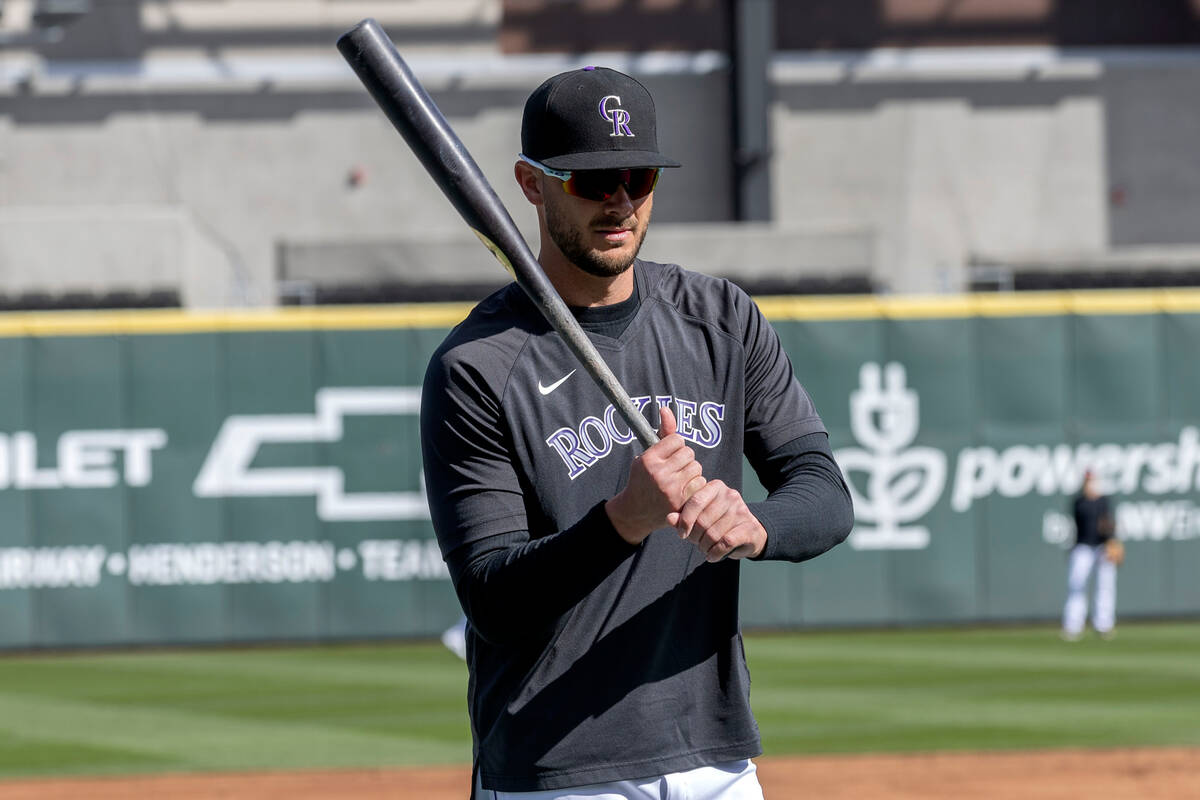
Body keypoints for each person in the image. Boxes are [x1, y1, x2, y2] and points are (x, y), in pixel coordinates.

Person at [420, 65, 854, 799]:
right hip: (555, 770)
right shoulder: (477, 365)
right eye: (593, 181)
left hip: (715, 759)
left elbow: (824, 493)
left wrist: (753, 522)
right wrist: (624, 520)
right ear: (531, 184)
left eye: (639, 176)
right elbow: (492, 598)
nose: (620, 200)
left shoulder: (720, 319)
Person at [1061, 470, 1118, 641]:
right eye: (1087, 481)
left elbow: (1107, 523)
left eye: (1092, 481)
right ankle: (1073, 625)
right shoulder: (1079, 501)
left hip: (1102, 547)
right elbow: (1087, 521)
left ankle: (1104, 624)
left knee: (1105, 587)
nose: (1090, 484)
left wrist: (1111, 542)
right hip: (1083, 547)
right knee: (1076, 585)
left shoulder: (1103, 501)